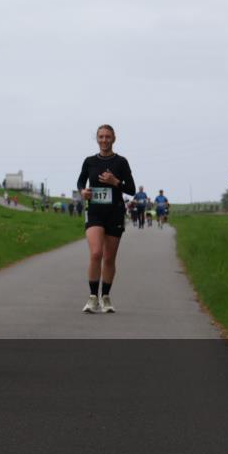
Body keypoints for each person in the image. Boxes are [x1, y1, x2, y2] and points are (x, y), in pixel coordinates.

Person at [77, 124, 136, 314]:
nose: (104, 140)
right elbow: (80, 181)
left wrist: (115, 182)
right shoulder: (89, 161)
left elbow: (131, 190)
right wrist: (83, 192)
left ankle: (106, 297)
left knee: (109, 258)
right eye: (101, 137)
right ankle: (93, 297)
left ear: (114, 139)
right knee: (96, 253)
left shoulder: (121, 162)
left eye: (107, 137)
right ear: (97, 139)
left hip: (114, 213)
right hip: (94, 211)